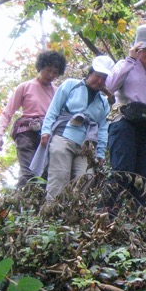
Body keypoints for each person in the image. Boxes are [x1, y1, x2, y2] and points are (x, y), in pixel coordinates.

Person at [105, 24, 146, 206]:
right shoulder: (125, 66)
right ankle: (107, 217)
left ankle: (137, 221)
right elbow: (110, 86)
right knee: (122, 172)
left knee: (144, 177)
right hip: (124, 123)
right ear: (138, 47)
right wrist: (130, 60)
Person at [40, 56, 113, 201]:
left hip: (86, 146)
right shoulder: (71, 85)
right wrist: (46, 131)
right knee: (59, 176)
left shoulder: (103, 102)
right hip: (63, 137)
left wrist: (100, 154)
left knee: (86, 178)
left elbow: (103, 129)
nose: (99, 81)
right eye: (97, 76)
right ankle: (52, 216)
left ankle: (75, 216)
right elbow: (53, 109)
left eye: (103, 79)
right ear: (90, 72)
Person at [0, 50, 67, 187]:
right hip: (26, 133)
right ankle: (22, 205)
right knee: (28, 174)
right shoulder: (25, 87)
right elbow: (7, 112)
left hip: (47, 135)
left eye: (55, 73)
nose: (50, 75)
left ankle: (37, 206)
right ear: (41, 67)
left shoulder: (57, 92)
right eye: (48, 70)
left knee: (45, 176)